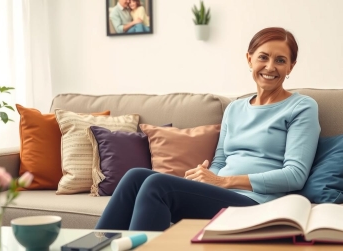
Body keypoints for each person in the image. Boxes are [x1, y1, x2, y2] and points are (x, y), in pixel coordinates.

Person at [95, 27, 321, 231]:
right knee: (135, 176)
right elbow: (221, 160)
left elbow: (295, 175)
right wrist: (206, 177)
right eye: (263, 57)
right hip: (221, 195)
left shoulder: (301, 107)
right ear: (249, 59)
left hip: (258, 203)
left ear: (291, 66)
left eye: (280, 60)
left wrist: (223, 182)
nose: (270, 67)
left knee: (158, 185)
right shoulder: (234, 108)